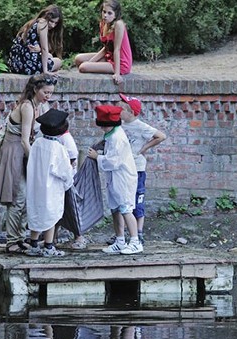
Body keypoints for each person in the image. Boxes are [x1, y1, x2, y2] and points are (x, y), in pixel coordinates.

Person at [0, 73, 55, 254]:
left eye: (51, 93)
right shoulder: (27, 107)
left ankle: (21, 238)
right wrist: (35, 163)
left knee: (27, 197)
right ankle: (12, 241)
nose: (48, 96)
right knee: (17, 198)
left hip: (25, 153)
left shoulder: (40, 105)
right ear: (35, 90)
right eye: (45, 92)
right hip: (14, 152)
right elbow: (24, 140)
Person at [88, 105, 142, 255]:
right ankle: (120, 241)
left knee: (126, 208)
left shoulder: (118, 137)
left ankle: (135, 241)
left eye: (104, 126)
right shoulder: (111, 134)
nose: (102, 129)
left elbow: (114, 161)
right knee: (115, 208)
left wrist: (97, 157)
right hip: (114, 177)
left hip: (123, 177)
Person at [114, 94, 166, 245]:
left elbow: (161, 136)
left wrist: (143, 148)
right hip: (123, 167)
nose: (118, 110)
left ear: (131, 112)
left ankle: (139, 232)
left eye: (121, 108)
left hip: (137, 168)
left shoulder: (141, 126)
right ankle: (122, 234)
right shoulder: (119, 125)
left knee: (137, 199)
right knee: (123, 200)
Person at [25, 109, 74, 257]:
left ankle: (33, 243)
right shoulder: (58, 148)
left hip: (35, 184)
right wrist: (69, 182)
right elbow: (64, 171)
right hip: (51, 187)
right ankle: (48, 246)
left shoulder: (38, 143)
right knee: (50, 215)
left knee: (36, 212)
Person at [74, 0, 132, 84]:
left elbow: (117, 49)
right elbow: (106, 48)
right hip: (109, 56)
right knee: (78, 59)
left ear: (115, 14)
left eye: (109, 13)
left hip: (120, 63)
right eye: (104, 12)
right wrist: (91, 61)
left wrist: (117, 73)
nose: (105, 15)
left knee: (83, 67)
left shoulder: (119, 24)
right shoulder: (103, 23)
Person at [8, 4, 64, 75]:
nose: (52, 25)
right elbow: (44, 49)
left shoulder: (33, 23)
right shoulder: (43, 23)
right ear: (46, 17)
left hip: (15, 64)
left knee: (50, 56)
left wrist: (39, 49)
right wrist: (45, 71)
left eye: (55, 23)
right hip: (27, 66)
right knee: (58, 62)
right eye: (51, 21)